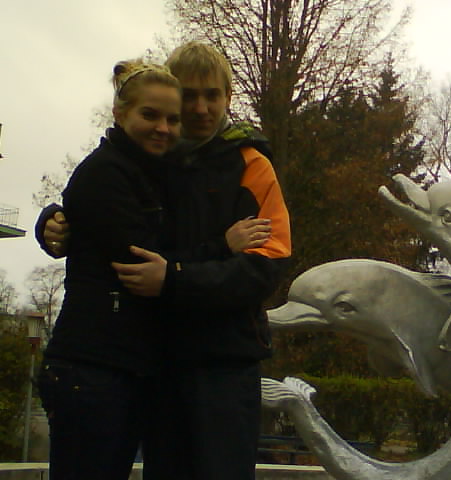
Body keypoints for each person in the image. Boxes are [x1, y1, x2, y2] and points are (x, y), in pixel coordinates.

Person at [37, 42, 292, 480]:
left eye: (212, 95)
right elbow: (106, 211)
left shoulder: (251, 166)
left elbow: (263, 269)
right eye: (189, 96)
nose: (200, 108)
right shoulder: (153, 159)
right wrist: (56, 220)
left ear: (229, 97)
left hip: (223, 363)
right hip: (159, 361)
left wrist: (174, 279)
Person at [36, 59, 182, 480]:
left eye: (173, 119)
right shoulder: (106, 173)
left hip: (121, 369)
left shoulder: (151, 173)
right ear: (119, 113)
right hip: (93, 369)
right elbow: (140, 256)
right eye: (150, 115)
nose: (163, 128)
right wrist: (223, 247)